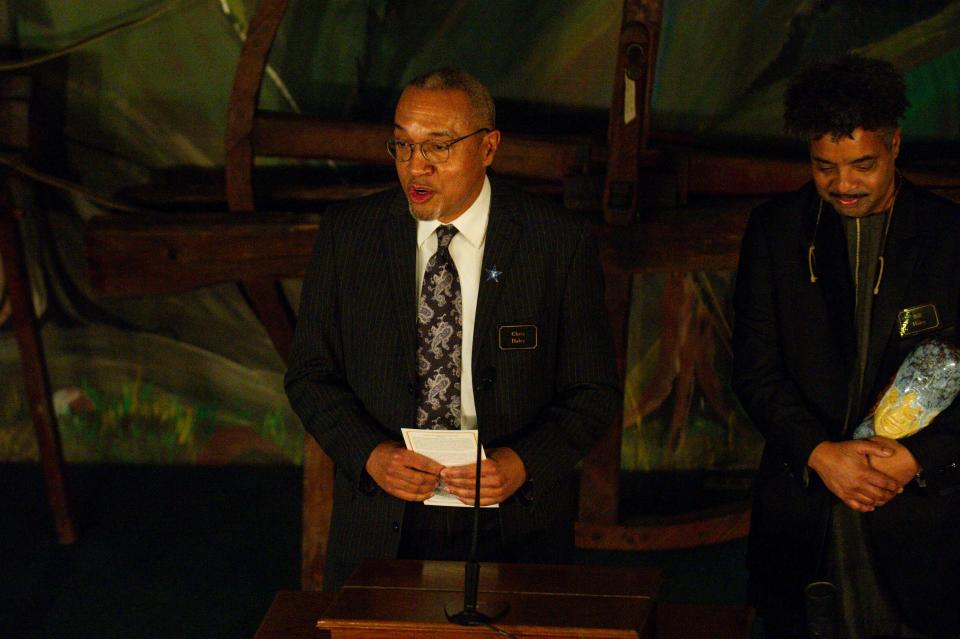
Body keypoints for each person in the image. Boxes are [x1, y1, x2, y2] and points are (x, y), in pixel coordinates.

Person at [285, 68, 620, 592]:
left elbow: (594, 391)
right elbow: (309, 375)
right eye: (402, 145)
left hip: (515, 519)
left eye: (438, 148)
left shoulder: (557, 242)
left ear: (488, 147)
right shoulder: (348, 235)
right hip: (383, 517)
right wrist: (372, 455)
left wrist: (522, 464)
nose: (415, 167)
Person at [733, 54, 960, 638]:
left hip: (923, 522)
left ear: (895, 146)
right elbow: (755, 372)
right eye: (824, 166)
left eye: (862, 164)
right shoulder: (776, 230)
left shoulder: (949, 237)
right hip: (805, 509)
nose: (843, 184)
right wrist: (820, 454)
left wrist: (919, 460)